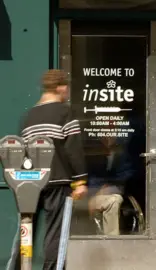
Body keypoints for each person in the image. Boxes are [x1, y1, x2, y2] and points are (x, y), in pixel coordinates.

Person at [12, 69, 88, 269]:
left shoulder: (28, 117)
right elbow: (73, 148)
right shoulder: (65, 112)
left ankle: (19, 266)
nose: (68, 92)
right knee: (55, 232)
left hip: (30, 182)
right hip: (58, 180)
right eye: (67, 88)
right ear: (60, 87)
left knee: (27, 229)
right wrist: (80, 180)